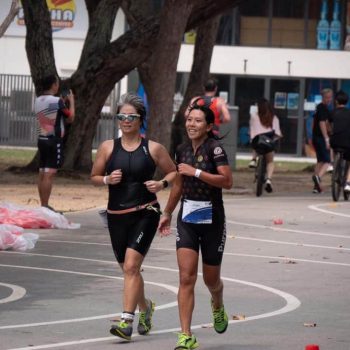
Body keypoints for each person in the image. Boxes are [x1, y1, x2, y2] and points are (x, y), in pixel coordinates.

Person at [91, 93, 176, 341]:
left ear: (141, 120)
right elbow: (94, 176)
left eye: (132, 117)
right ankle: (146, 307)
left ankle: (126, 322)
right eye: (122, 116)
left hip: (145, 213)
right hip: (116, 216)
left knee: (131, 266)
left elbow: (173, 172)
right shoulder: (108, 147)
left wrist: (161, 184)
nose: (126, 120)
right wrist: (107, 179)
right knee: (129, 270)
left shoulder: (153, 148)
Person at [158, 98, 233, 350]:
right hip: (188, 218)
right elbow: (179, 183)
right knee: (186, 277)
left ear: (208, 125)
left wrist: (197, 172)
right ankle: (186, 335)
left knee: (211, 280)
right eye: (189, 119)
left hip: (213, 220)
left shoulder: (215, 150)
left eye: (198, 120)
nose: (192, 123)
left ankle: (217, 303)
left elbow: (227, 181)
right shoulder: (181, 150)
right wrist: (167, 212)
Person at [34, 75, 75, 211]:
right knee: (49, 174)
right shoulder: (57, 101)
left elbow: (50, 115)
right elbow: (70, 118)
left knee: (42, 172)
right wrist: (71, 101)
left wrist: (61, 103)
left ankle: (43, 204)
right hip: (54, 141)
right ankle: (46, 206)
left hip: (42, 139)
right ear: (53, 85)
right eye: (57, 83)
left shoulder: (38, 100)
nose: (58, 86)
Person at [249, 98, 282, 193]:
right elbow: (277, 133)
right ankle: (269, 179)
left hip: (257, 142)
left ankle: (253, 160)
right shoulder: (274, 118)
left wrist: (252, 138)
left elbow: (252, 130)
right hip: (268, 143)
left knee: (256, 142)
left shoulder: (254, 117)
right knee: (270, 162)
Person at [311, 88, 333, 193]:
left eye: (330, 97)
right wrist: (327, 138)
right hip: (320, 138)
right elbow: (322, 123)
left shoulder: (318, 108)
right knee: (327, 161)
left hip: (316, 137)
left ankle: (316, 186)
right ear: (323, 97)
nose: (329, 99)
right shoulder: (323, 108)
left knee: (320, 161)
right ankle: (318, 177)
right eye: (327, 97)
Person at [329, 90, 350, 192]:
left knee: (333, 145)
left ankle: (333, 163)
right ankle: (348, 183)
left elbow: (329, 126)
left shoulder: (333, 112)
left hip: (335, 140)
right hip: (347, 141)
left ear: (336, 101)